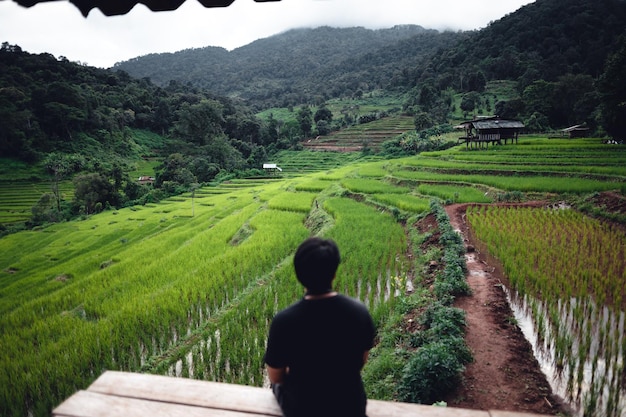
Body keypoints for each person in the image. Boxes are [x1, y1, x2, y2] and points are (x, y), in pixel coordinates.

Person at [264, 237, 376, 417]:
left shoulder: (284, 321)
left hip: (302, 408)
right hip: (350, 405)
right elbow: (361, 361)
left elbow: (276, 377)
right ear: (333, 273)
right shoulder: (359, 312)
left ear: (299, 273)